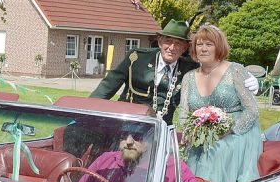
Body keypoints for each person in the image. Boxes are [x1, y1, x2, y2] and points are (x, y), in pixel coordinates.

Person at [90, 19, 258, 125]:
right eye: (168, 41)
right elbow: (107, 87)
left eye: (178, 44)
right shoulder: (136, 59)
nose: (172, 47)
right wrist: (85, 111)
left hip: (162, 131)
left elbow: (218, 66)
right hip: (128, 123)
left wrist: (248, 77)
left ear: (185, 47)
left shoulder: (189, 68)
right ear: (159, 41)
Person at [176, 24, 262, 182]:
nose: (203, 48)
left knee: (216, 151)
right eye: (199, 44)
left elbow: (252, 110)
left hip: (238, 132)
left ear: (219, 47)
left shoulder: (235, 70)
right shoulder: (188, 78)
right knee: (186, 155)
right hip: (201, 133)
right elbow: (184, 113)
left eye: (209, 44)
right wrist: (190, 131)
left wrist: (229, 130)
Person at [75, 132, 200, 182]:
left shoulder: (170, 166)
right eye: (123, 135)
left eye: (137, 136)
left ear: (152, 138)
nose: (129, 142)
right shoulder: (106, 159)